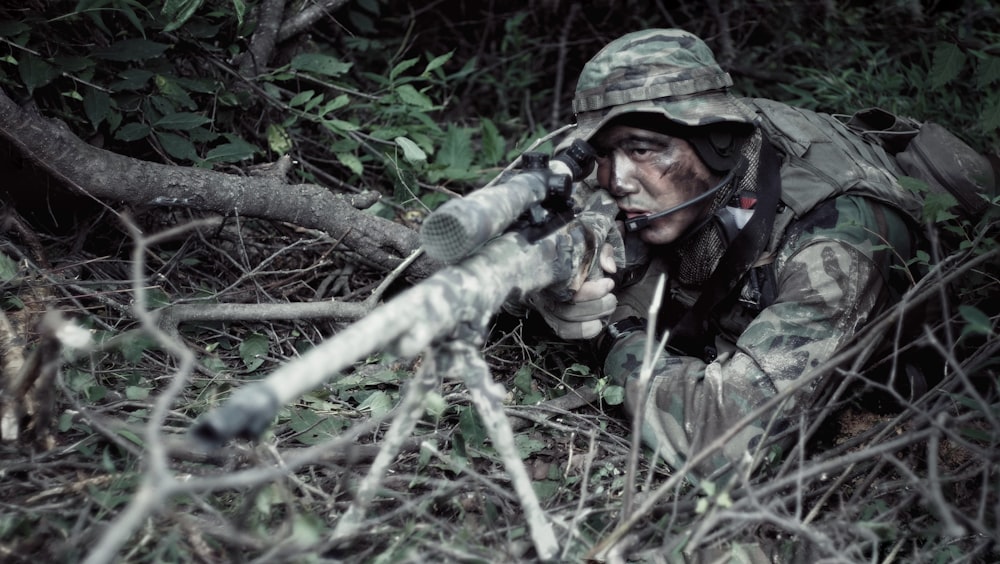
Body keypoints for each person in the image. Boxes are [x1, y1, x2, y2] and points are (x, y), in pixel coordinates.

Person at [532, 29, 924, 478]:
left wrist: (614, 331)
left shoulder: (832, 241)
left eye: (641, 149)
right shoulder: (668, 173)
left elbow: (724, 444)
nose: (617, 180)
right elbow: (513, 243)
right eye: (604, 152)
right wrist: (549, 289)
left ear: (716, 142)